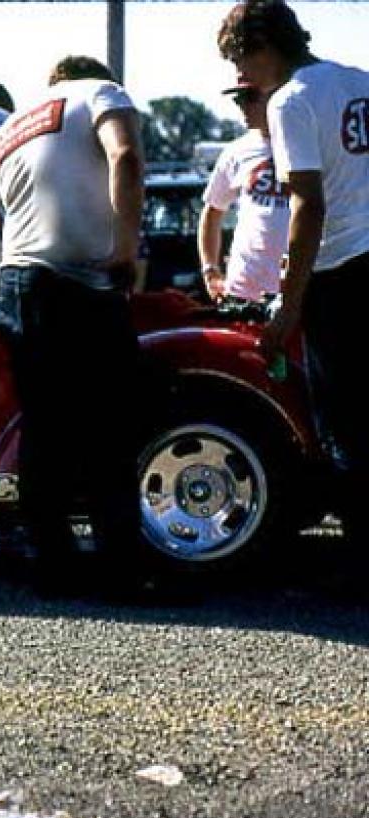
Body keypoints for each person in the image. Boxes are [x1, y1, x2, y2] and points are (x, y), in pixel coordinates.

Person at [0, 56, 146, 587]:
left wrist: (0, 284)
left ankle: (52, 566)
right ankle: (122, 571)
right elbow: (125, 156)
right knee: (110, 429)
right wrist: (126, 249)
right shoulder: (101, 92)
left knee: (45, 430)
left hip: (22, 287)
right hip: (81, 286)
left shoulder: (13, 127)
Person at [218, 0, 369, 545]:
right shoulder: (360, 81)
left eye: (239, 60)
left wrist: (289, 299)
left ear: (263, 48)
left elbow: (308, 204)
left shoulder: (290, 100)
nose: (241, 76)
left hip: (342, 273)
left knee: (345, 424)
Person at [197, 79, 289, 302]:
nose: (242, 106)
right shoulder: (236, 151)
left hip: (298, 288)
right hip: (244, 289)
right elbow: (212, 211)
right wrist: (210, 269)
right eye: (238, 99)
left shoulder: (314, 144)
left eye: (249, 98)